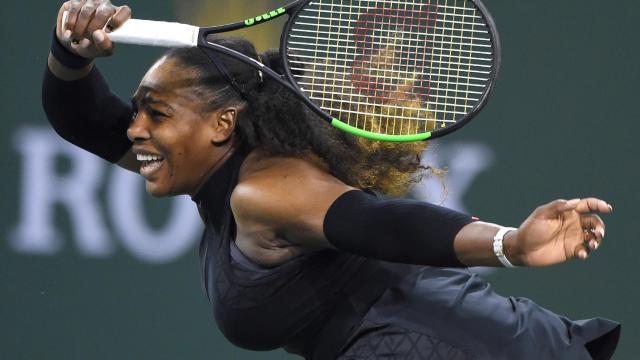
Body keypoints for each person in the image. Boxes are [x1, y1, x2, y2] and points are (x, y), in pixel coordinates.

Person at [43, 1, 620, 359]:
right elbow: (85, 119)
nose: (136, 129)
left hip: (456, 346)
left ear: (222, 124)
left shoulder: (263, 189)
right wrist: (70, 50)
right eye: (138, 112)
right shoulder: (217, 172)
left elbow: (380, 224)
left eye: (155, 113)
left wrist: (508, 245)